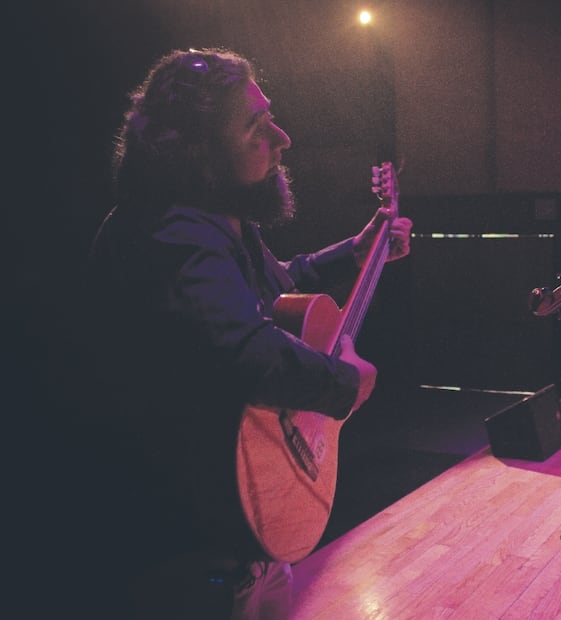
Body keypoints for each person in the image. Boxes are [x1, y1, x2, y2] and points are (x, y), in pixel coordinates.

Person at [80, 47, 413, 619]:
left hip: (244, 534)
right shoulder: (172, 232)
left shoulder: (209, 213)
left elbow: (277, 290)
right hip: (193, 550)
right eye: (257, 126)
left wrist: (355, 252)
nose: (282, 138)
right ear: (198, 155)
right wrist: (343, 382)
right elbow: (247, 350)